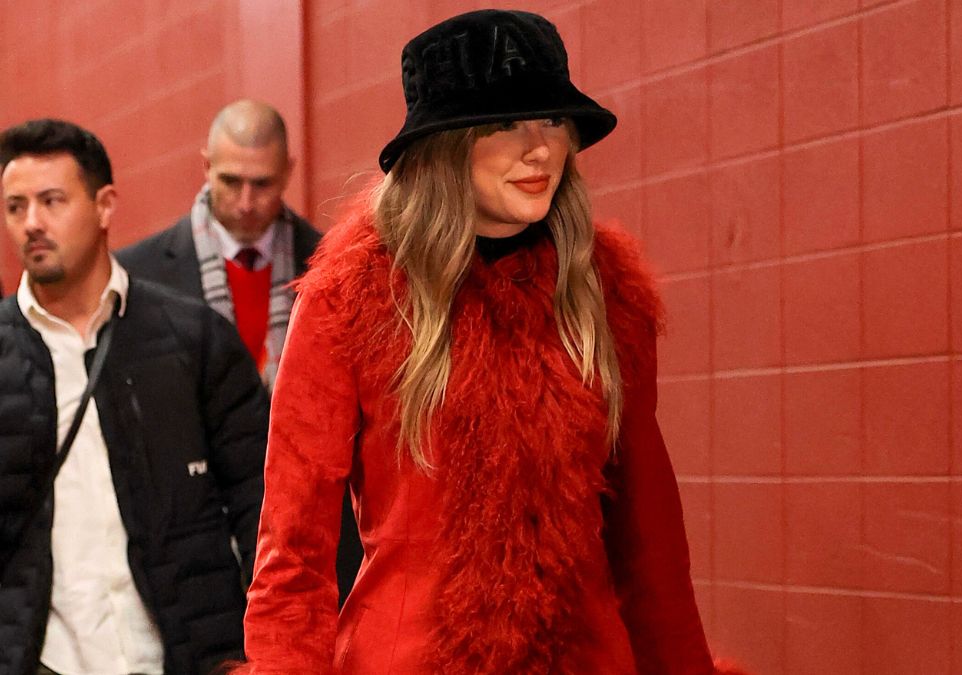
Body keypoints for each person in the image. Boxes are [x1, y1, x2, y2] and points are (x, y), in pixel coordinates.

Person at [238, 9, 728, 674]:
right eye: (505, 124)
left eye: (553, 119)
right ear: (442, 146)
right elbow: (292, 555)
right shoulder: (354, 301)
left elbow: (651, 546)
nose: (541, 148)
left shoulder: (603, 294)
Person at [0, 119, 269, 674]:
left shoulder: (192, 338)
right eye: (15, 207)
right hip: (47, 660)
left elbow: (263, 503)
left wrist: (259, 648)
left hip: (186, 655)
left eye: (51, 201)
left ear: (104, 205)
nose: (32, 224)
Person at [117, 100, 363, 604]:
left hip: (312, 535)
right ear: (205, 166)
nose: (247, 201)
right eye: (231, 181)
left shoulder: (339, 269)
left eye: (264, 183)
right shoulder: (137, 276)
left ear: (289, 172)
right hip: (188, 545)